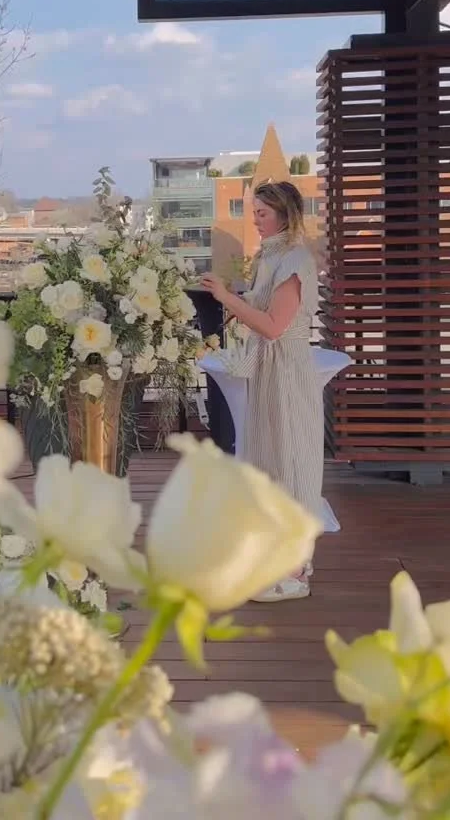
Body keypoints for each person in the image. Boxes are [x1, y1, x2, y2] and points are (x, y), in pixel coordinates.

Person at [201, 180, 322, 603]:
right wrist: (233, 297)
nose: (254, 220)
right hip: (273, 370)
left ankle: (297, 571)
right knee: (271, 461)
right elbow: (262, 310)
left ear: (285, 216)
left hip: (287, 372)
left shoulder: (294, 260)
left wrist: (225, 298)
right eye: (253, 212)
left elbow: (273, 326)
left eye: (262, 213)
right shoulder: (272, 256)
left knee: (291, 461)